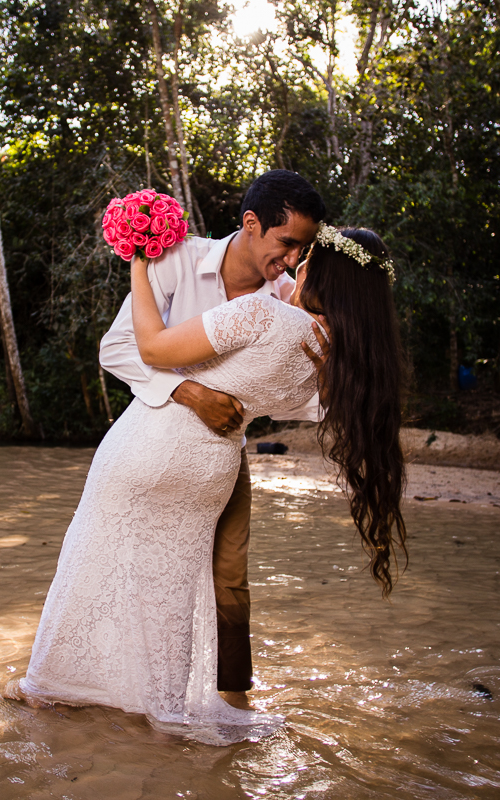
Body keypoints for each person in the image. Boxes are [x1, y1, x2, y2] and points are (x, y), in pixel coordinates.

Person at [6, 225, 408, 746]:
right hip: (213, 468)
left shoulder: (261, 313)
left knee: (93, 561)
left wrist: (137, 263)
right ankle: (162, 702)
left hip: (151, 447)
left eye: (304, 260)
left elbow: (151, 347)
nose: (293, 267)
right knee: (175, 587)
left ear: (325, 275)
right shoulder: (329, 358)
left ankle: (51, 687)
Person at [97, 170, 327, 707]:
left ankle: (232, 699)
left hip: (225, 453)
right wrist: (190, 393)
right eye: (285, 242)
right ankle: (129, 685)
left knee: (230, 573)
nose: (291, 260)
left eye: (302, 248)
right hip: (153, 440)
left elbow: (295, 388)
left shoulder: (289, 297)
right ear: (251, 224)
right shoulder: (177, 258)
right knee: (137, 566)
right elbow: (118, 348)